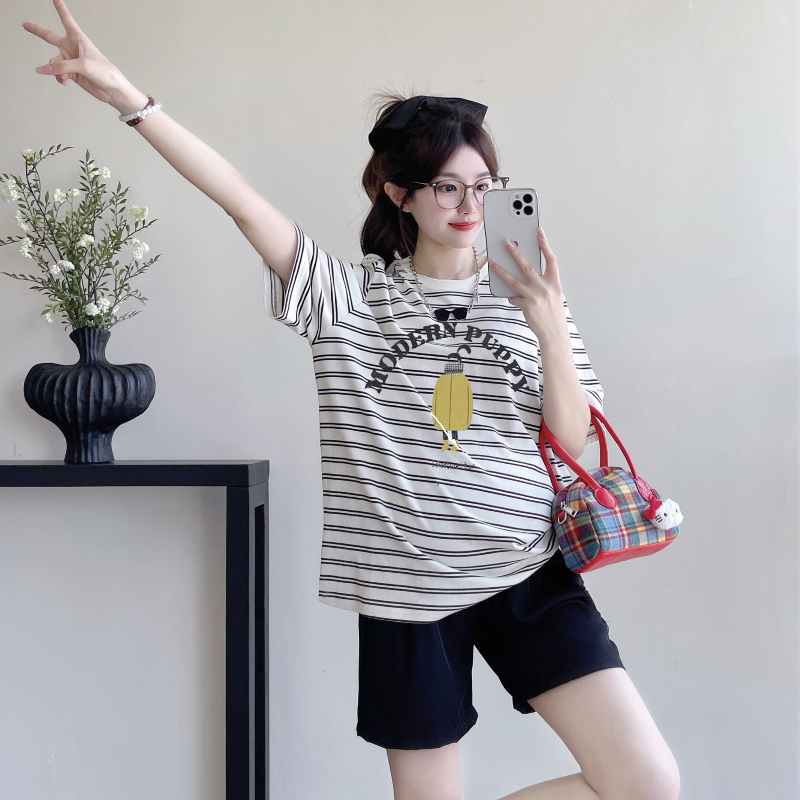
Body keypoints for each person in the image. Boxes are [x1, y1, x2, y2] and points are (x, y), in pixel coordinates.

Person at [23, 2, 680, 798]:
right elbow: (240, 200)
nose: (470, 205)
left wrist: (546, 323)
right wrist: (129, 97)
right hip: (405, 591)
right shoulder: (346, 299)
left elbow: (572, 442)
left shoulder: (531, 297)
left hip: (529, 571)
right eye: (447, 186)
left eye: (484, 186)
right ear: (400, 194)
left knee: (646, 781)